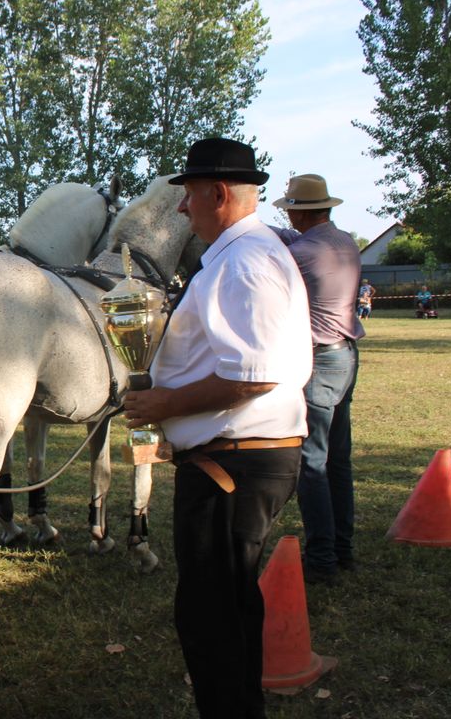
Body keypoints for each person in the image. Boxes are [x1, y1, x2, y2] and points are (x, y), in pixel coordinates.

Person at [123, 138, 311, 719]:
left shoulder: (244, 261)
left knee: (212, 618)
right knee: (223, 610)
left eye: (188, 196)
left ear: (219, 194)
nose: (182, 209)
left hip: (235, 462)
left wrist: (164, 402)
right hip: (236, 457)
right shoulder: (244, 256)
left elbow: (253, 375)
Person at [270, 174, 364, 584]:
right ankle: (341, 548)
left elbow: (279, 253)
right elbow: (288, 238)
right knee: (337, 461)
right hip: (344, 356)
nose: (288, 214)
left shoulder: (302, 253)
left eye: (290, 208)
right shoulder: (340, 241)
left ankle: (322, 558)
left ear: (303, 211)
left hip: (319, 361)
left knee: (312, 465)